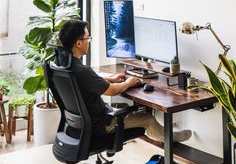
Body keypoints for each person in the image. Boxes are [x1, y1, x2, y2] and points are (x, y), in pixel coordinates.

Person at [58, 20, 192, 142]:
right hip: (102, 124)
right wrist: (129, 82)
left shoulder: (64, 65)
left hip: (81, 124)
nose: (89, 41)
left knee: (134, 111)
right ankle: (172, 140)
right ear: (79, 43)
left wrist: (111, 78)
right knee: (147, 118)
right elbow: (111, 91)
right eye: (88, 38)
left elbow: (87, 82)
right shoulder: (82, 70)